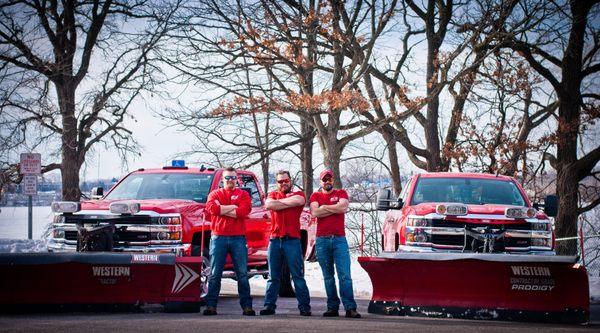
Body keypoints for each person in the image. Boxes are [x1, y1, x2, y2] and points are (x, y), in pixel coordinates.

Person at [203, 167, 255, 316]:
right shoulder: (215, 193)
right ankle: (211, 306)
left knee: (242, 274)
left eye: (233, 177)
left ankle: (247, 307)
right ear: (222, 180)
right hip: (218, 237)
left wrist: (222, 209)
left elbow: (244, 211)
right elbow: (212, 209)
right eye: (227, 178)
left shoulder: (243, 194)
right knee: (214, 273)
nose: (230, 180)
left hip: (238, 238)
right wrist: (233, 208)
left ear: (236, 179)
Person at [309, 169, 361, 318]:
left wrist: (324, 208)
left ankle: (350, 308)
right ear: (321, 182)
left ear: (333, 180)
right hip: (322, 240)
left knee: (344, 275)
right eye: (324, 179)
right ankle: (332, 307)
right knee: (328, 276)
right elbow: (315, 213)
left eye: (329, 179)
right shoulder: (315, 195)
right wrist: (333, 209)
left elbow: (343, 207)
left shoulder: (341, 193)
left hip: (339, 240)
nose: (327, 182)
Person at [260, 170, 311, 316]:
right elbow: (269, 205)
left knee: (297, 276)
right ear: (277, 183)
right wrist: (286, 203)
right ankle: (269, 306)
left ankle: (304, 307)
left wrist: (279, 204)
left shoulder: (299, 194)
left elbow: (299, 201)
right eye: (280, 181)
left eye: (286, 180)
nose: (283, 183)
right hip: (275, 240)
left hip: (292, 241)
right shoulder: (272, 195)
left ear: (291, 181)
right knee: (273, 276)